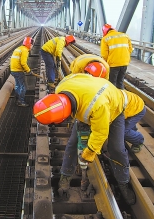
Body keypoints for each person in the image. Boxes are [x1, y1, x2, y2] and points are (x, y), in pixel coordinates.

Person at [33, 73, 136, 205]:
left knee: (116, 148)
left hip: (113, 108)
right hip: (86, 103)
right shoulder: (61, 88)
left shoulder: (99, 105)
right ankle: (65, 177)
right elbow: (80, 76)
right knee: (72, 143)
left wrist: (88, 153)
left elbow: (100, 133)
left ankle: (123, 182)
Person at [100, 24, 133, 89]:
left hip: (113, 64)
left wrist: (106, 63)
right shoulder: (125, 35)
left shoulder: (105, 39)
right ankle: (122, 95)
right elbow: (130, 49)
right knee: (120, 82)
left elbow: (104, 54)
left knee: (112, 83)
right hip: (125, 62)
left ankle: (114, 97)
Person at [10, 36, 33, 107]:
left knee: (18, 85)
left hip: (13, 70)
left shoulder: (18, 48)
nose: (32, 46)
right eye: (32, 45)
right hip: (18, 71)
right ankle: (21, 101)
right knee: (23, 86)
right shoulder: (25, 50)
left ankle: (17, 98)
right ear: (29, 44)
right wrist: (28, 70)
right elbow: (23, 63)